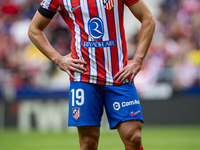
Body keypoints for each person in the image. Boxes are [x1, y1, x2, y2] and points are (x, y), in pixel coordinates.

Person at [28, 0, 155, 149]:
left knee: (134, 137)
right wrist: (58, 59)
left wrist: (138, 59)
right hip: (83, 77)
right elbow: (34, 29)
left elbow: (148, 18)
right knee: (89, 142)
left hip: (119, 75)